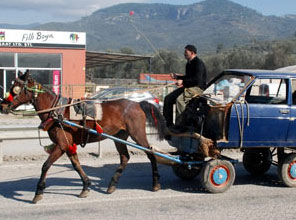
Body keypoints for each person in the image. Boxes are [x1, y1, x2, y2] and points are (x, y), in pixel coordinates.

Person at [163, 45, 207, 128]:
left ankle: (181, 125)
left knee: (179, 101)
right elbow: (188, 77)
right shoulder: (188, 64)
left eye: (186, 52)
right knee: (168, 99)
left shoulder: (198, 63)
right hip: (188, 87)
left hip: (197, 88)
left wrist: (183, 81)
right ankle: (168, 125)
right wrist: (178, 77)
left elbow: (197, 80)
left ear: (192, 53)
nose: (184, 54)